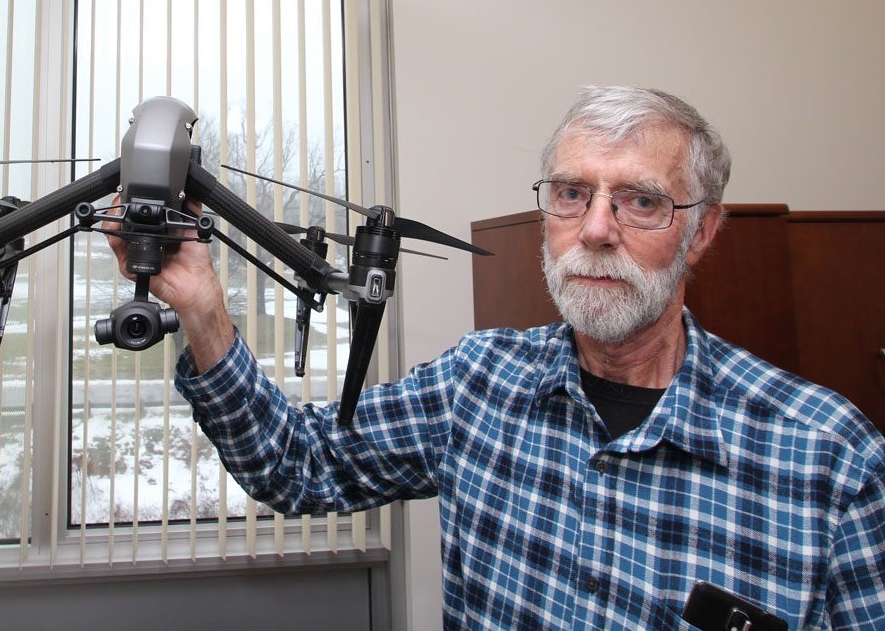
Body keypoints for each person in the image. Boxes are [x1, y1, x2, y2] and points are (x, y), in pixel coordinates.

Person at [108, 86, 885, 629]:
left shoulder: (825, 455)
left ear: (702, 231)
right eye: (571, 193)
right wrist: (203, 308)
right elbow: (295, 464)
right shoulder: (478, 381)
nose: (595, 229)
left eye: (640, 200)